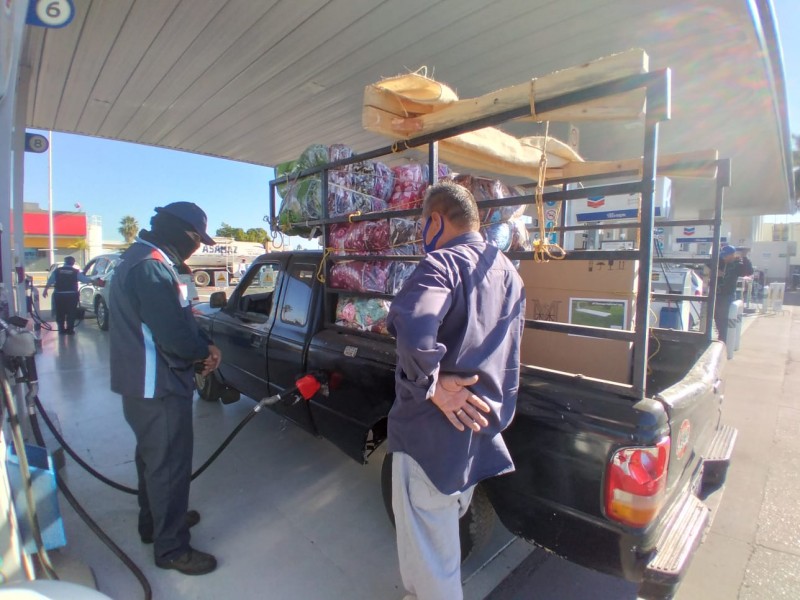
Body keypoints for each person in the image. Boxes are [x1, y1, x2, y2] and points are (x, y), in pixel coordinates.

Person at [386, 181, 526, 600]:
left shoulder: (440, 264)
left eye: (421, 224)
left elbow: (414, 331)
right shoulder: (509, 272)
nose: (420, 234)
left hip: (431, 435)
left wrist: (432, 386)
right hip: (480, 428)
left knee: (432, 557)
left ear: (436, 220)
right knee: (441, 530)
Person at [108, 201, 222, 575]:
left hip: (140, 385)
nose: (198, 247)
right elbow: (173, 333)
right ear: (180, 231)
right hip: (157, 385)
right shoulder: (152, 267)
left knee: (152, 461)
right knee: (170, 465)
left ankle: (153, 523)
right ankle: (171, 548)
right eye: (196, 239)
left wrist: (200, 341)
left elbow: (179, 316)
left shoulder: (143, 258)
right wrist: (202, 353)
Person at [42, 256, 94, 334]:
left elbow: (50, 281)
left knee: (60, 312)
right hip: (72, 295)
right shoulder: (76, 271)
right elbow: (85, 280)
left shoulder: (57, 271)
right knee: (71, 312)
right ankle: (70, 330)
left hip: (59, 294)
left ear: (65, 262)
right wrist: (94, 280)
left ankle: (61, 329)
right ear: (73, 262)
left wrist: (45, 290)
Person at [714, 244, 745, 344]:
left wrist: (744, 257)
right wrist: (714, 272)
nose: (724, 257)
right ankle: (722, 337)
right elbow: (708, 266)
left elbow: (748, 271)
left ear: (732, 255)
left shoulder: (737, 265)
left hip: (727, 295)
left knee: (726, 317)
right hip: (717, 294)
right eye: (723, 255)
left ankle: (725, 339)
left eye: (726, 255)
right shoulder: (720, 261)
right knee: (717, 317)